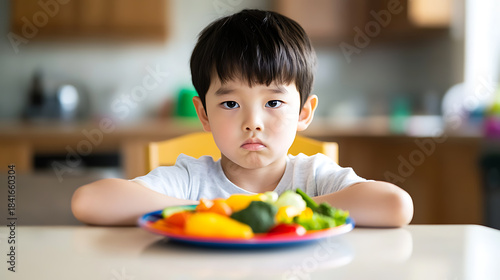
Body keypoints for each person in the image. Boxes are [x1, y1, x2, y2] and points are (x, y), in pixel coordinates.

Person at [71, 9, 413, 227]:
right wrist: (210, 212)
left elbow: (396, 206)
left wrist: (278, 209)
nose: (253, 122)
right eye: (231, 104)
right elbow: (88, 202)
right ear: (203, 114)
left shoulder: (312, 176)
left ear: (304, 113)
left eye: (274, 102)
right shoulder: (192, 179)